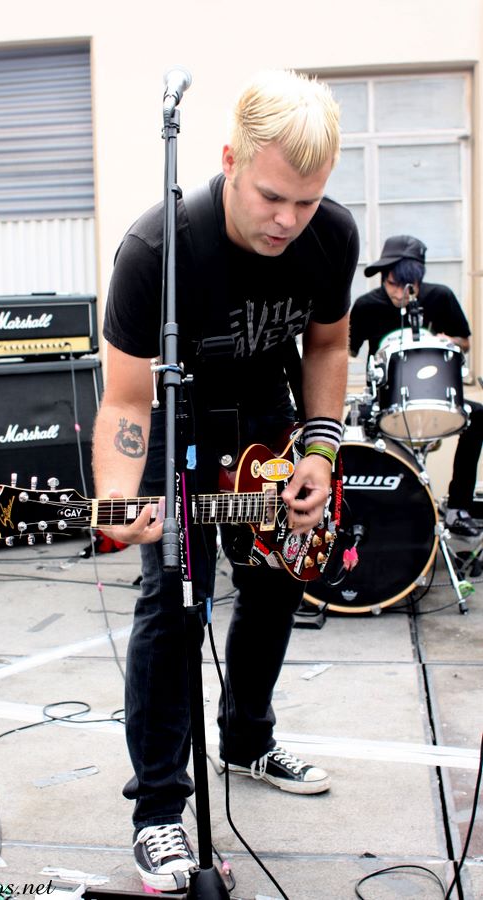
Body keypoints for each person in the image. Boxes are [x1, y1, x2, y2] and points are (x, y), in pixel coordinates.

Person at [92, 69, 359, 892]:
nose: (287, 221)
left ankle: (246, 740)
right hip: (177, 428)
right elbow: (126, 399)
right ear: (229, 161)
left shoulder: (331, 237)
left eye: (306, 202)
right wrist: (117, 497)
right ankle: (159, 812)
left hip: (270, 424)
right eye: (272, 197)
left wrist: (320, 453)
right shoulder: (156, 250)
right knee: (172, 606)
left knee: (277, 586)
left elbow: (327, 345)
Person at [350, 234, 483, 537]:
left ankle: (457, 508)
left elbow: (464, 341)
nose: (400, 293)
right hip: (382, 400)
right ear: (384, 278)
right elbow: (348, 350)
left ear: (419, 280)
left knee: (479, 417)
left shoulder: (440, 297)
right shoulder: (367, 305)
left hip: (432, 395)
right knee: (349, 431)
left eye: (408, 286)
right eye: (393, 285)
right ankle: (365, 516)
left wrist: (449, 340)